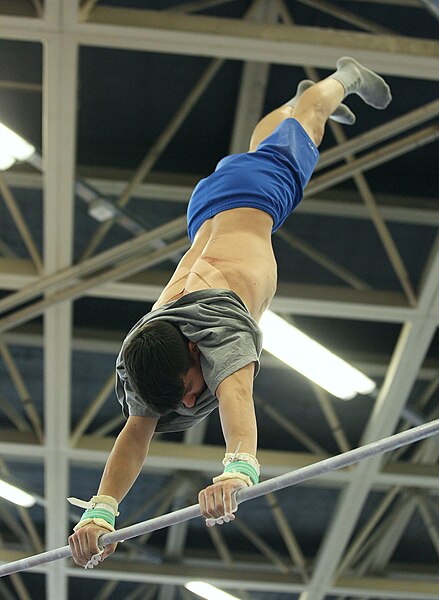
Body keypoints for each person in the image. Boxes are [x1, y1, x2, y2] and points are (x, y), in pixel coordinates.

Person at [68, 57, 391, 568]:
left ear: (197, 347)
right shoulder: (146, 353)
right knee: (264, 145)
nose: (195, 395)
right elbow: (136, 428)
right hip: (205, 209)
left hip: (259, 196)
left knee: (310, 122)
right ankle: (294, 104)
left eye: (193, 383)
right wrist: (99, 512)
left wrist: (239, 469)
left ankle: (338, 82)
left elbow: (236, 394)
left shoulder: (218, 329)